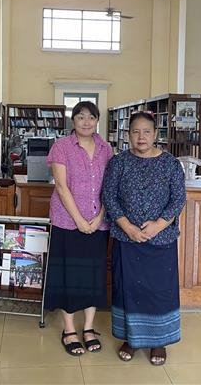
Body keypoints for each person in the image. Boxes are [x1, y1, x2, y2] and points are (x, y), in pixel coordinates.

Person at [102, 111, 186, 366]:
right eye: (135, 132)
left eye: (146, 132)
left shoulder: (171, 164)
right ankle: (131, 338)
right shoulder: (118, 163)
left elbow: (178, 198)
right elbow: (109, 196)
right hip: (126, 239)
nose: (141, 137)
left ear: (155, 135)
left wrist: (158, 226)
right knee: (129, 288)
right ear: (128, 135)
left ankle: (158, 341)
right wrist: (127, 227)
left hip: (160, 240)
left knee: (158, 290)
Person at [44, 101, 113, 356]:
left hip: (99, 223)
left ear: (97, 120)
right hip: (67, 223)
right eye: (81, 117)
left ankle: (89, 328)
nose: (86, 122)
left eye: (91, 117)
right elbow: (61, 187)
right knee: (69, 276)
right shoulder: (62, 147)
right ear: (73, 120)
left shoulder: (106, 148)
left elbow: (110, 187)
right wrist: (81, 221)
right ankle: (69, 329)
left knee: (93, 276)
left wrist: (99, 217)